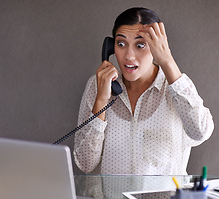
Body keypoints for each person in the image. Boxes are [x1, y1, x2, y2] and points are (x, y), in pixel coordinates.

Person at [73, 7, 214, 175]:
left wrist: (167, 61)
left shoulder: (175, 87)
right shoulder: (97, 86)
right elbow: (85, 163)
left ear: (156, 48)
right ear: (111, 47)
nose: (129, 56)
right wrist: (101, 102)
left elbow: (201, 132)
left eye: (140, 45)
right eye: (121, 44)